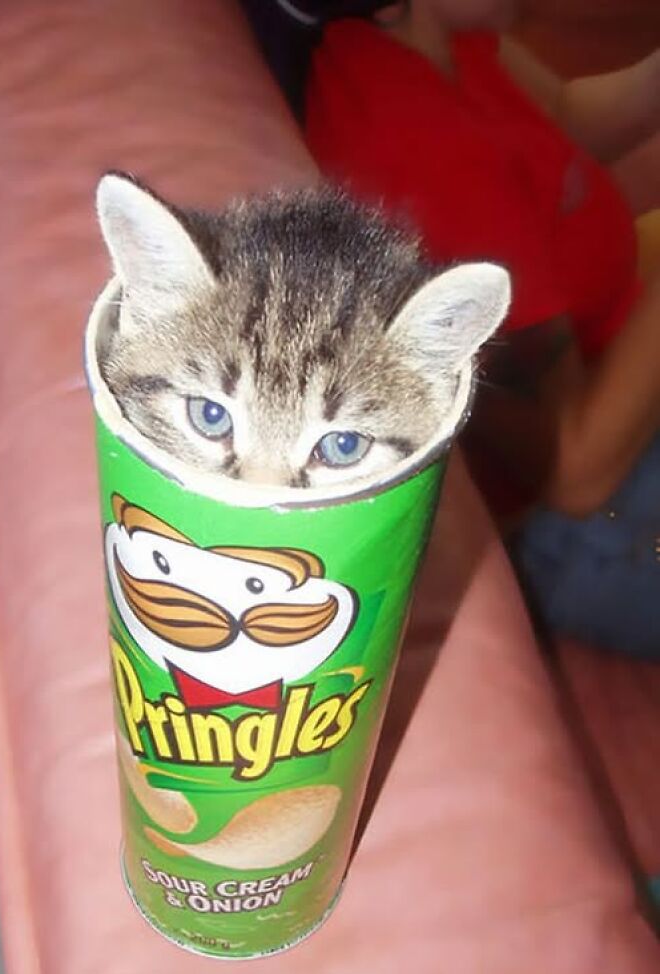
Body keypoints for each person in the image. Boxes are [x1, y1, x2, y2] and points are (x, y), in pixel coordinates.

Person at [247, 0, 660, 659]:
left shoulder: (435, 39)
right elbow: (573, 471)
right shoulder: (423, 149)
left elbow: (564, 121)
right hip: (575, 534)